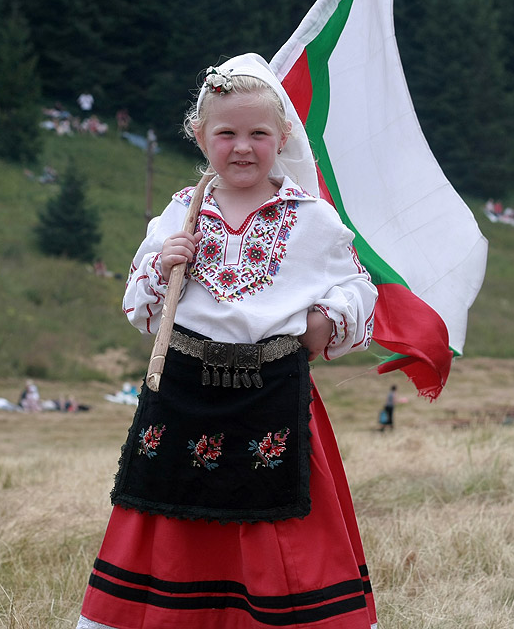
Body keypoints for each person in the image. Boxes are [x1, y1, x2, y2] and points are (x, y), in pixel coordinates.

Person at [75, 53, 378, 629]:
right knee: (172, 519)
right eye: (227, 133)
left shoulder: (314, 220)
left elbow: (359, 290)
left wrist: (322, 324)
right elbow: (139, 307)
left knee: (275, 527)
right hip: (183, 393)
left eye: (259, 133)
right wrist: (162, 267)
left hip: (274, 398)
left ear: (282, 137)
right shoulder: (179, 216)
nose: (243, 146)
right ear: (200, 136)